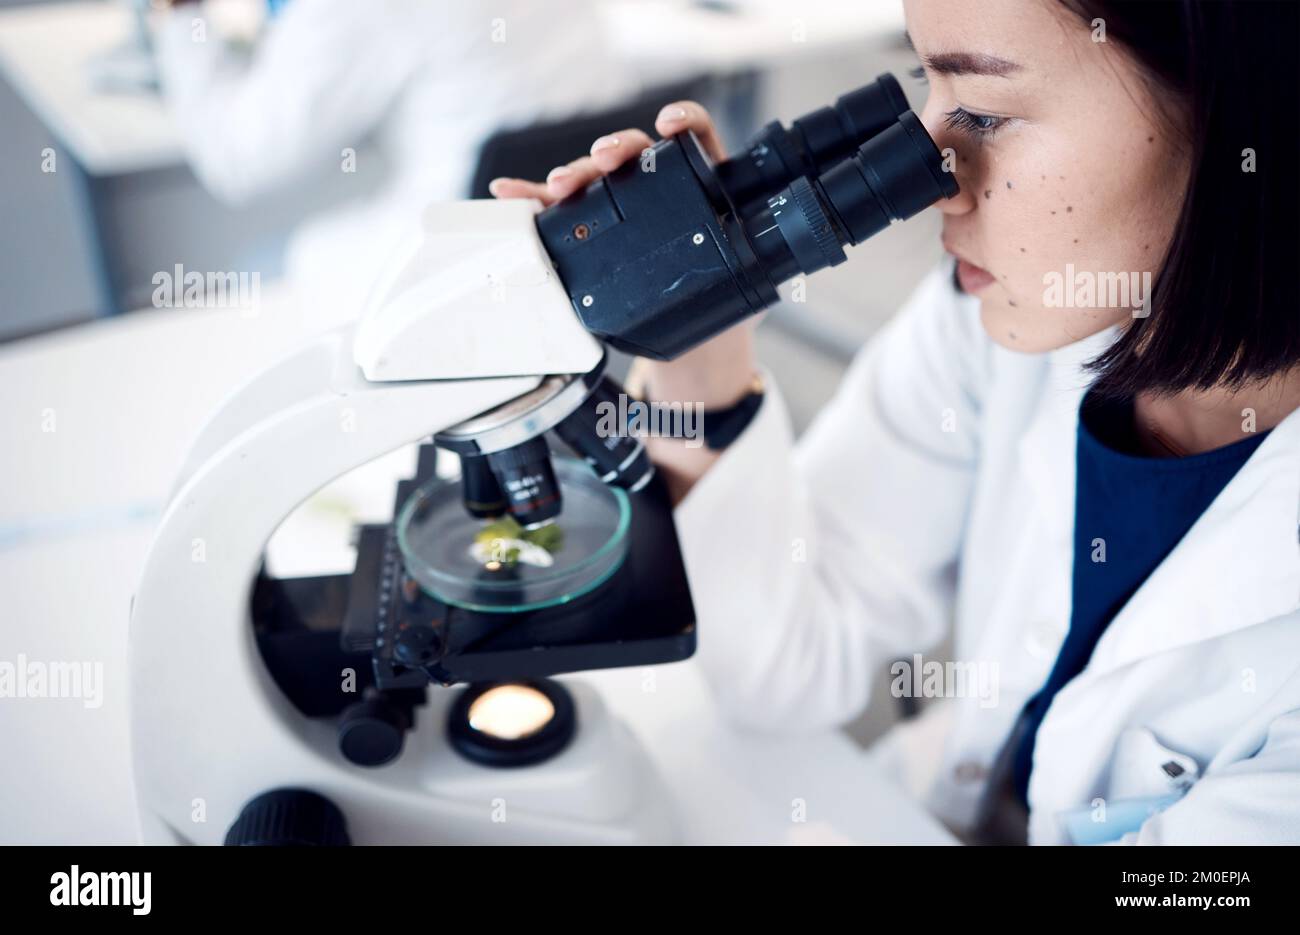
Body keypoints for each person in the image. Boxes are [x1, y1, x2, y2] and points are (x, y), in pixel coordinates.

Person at [491, 0, 1300, 845]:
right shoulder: (1006, 325)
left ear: (1247, 119)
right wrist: (702, 331)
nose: (929, 181)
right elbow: (782, 669)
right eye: (924, 84)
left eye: (984, 112)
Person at [152, 0, 641, 328]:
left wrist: (179, 16)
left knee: (255, 269)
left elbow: (236, 161)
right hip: (583, 240)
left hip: (463, 264)